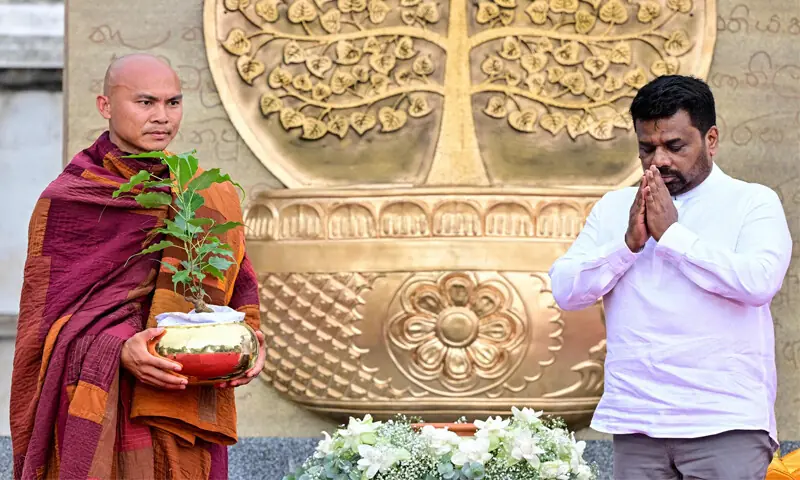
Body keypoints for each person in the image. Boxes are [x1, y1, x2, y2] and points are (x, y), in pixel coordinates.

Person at [10, 53, 266, 480]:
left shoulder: (203, 192)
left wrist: (250, 342)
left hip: (185, 404)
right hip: (105, 401)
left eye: (173, 102)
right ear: (105, 106)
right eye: (146, 103)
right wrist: (117, 348)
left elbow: (236, 285)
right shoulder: (71, 198)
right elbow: (46, 326)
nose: (162, 117)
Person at [549, 75, 792, 479]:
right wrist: (626, 246)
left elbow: (759, 282)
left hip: (724, 423)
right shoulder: (615, 209)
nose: (659, 160)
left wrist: (673, 237)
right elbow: (565, 289)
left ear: (710, 139)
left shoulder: (753, 202)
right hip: (637, 422)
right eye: (647, 148)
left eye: (675, 146)